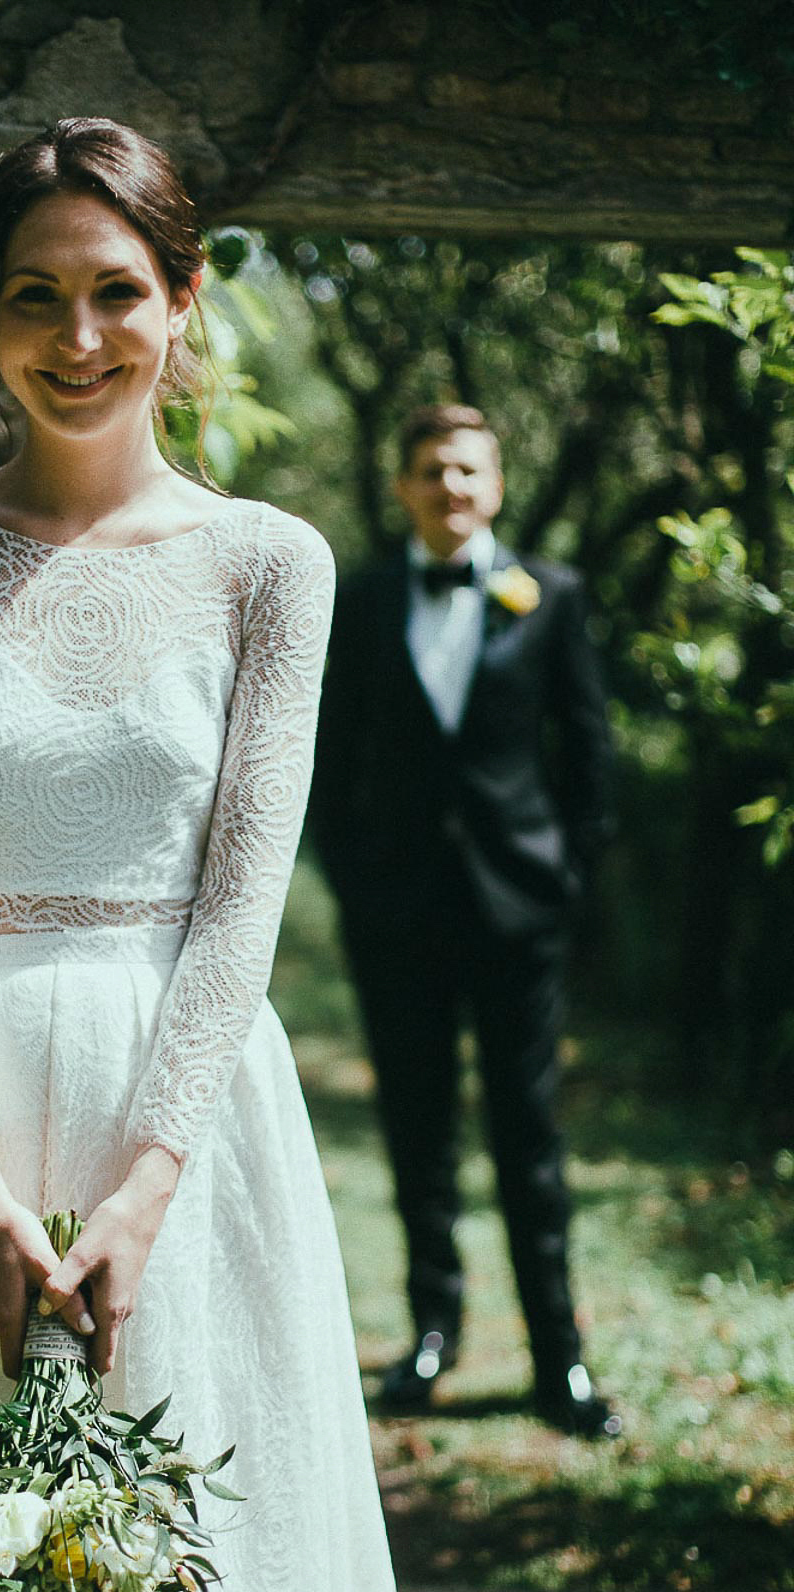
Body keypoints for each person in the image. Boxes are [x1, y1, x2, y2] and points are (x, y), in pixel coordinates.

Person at [0, 118, 439, 1592]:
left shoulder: (269, 565)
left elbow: (247, 885)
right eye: (34, 297)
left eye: (114, 293)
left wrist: (151, 1180)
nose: (75, 340)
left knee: (206, 1577)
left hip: (195, 1107)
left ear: (182, 304)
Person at [311, 403, 619, 1439]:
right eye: (432, 470)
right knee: (418, 1128)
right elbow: (327, 757)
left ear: (496, 487)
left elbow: (588, 754)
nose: (451, 488)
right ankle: (431, 1334)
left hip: (517, 911)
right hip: (397, 913)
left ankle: (558, 1362)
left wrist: (567, 880)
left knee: (531, 1137)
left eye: (469, 472)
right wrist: (353, 881)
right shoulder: (355, 602)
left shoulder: (554, 597)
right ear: (403, 484)